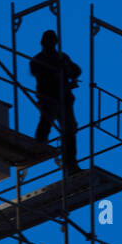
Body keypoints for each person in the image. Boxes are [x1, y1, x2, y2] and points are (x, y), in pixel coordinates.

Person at [30, 29, 82, 172]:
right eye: (48, 42)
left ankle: (71, 163)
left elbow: (77, 71)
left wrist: (66, 67)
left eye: (52, 42)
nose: (50, 45)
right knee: (46, 122)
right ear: (43, 43)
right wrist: (55, 72)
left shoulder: (62, 57)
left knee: (69, 131)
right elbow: (39, 74)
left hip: (64, 98)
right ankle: (38, 147)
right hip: (49, 97)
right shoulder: (38, 59)